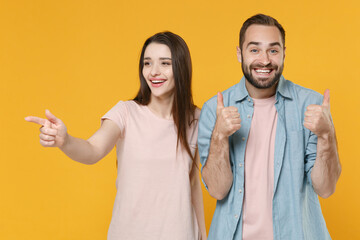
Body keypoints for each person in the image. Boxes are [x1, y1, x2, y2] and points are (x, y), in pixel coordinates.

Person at [25, 31, 207, 240]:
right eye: (147, 63)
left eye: (165, 63)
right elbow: (93, 150)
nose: (154, 72)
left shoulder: (196, 119)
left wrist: (203, 235)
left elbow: (192, 183)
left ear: (181, 67)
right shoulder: (126, 112)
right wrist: (65, 141)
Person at [198, 14, 341, 240]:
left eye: (273, 51)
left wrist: (326, 135)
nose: (264, 60)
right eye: (254, 50)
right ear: (239, 54)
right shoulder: (214, 109)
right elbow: (217, 189)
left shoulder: (310, 104)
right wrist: (219, 135)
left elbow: (325, 188)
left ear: (284, 53)